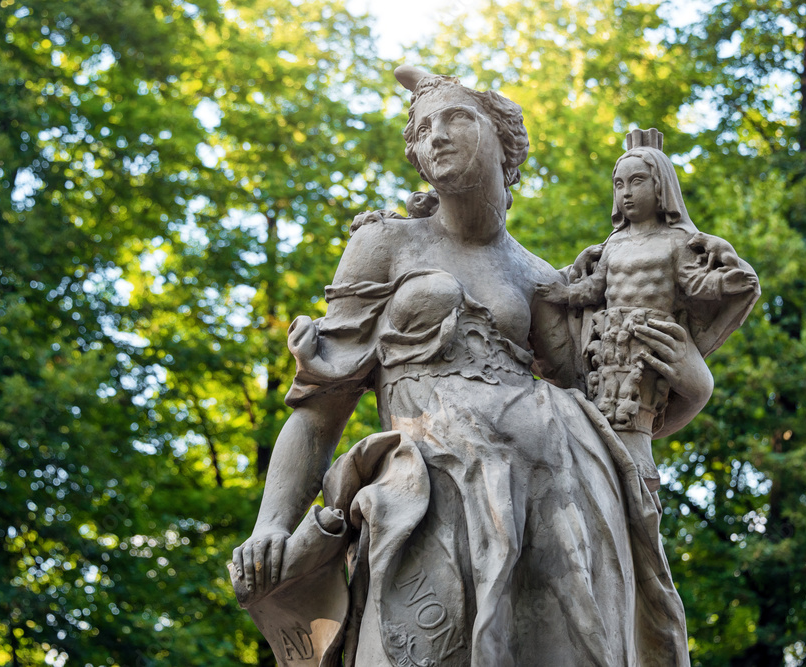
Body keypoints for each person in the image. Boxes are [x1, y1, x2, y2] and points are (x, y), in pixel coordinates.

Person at [230, 66, 737, 666]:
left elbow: (619, 418)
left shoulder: (546, 280)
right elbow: (319, 412)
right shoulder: (386, 244)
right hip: (426, 498)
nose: (436, 136)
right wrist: (272, 522)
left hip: (556, 494)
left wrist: (695, 385)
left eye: (456, 118)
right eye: (423, 129)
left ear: (505, 141)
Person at [537, 129, 759, 488]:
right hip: (608, 341)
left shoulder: (677, 242)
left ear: (660, 187)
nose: (626, 192)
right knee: (603, 417)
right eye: (619, 184)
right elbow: (597, 287)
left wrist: (722, 283)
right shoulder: (613, 245)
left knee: (633, 425)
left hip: (650, 341)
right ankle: (609, 483)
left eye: (637, 181)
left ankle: (637, 489)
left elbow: (693, 284)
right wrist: (564, 295)